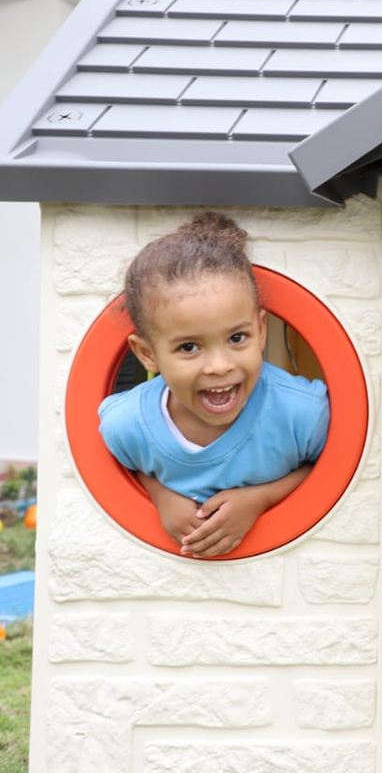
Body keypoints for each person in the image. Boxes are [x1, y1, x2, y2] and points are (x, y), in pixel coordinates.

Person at [98, 213, 330, 558]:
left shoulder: (303, 413)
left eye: (237, 338)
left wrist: (261, 498)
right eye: (189, 347)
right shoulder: (126, 424)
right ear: (147, 354)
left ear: (261, 330)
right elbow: (123, 466)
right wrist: (159, 494)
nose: (220, 366)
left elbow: (333, 469)